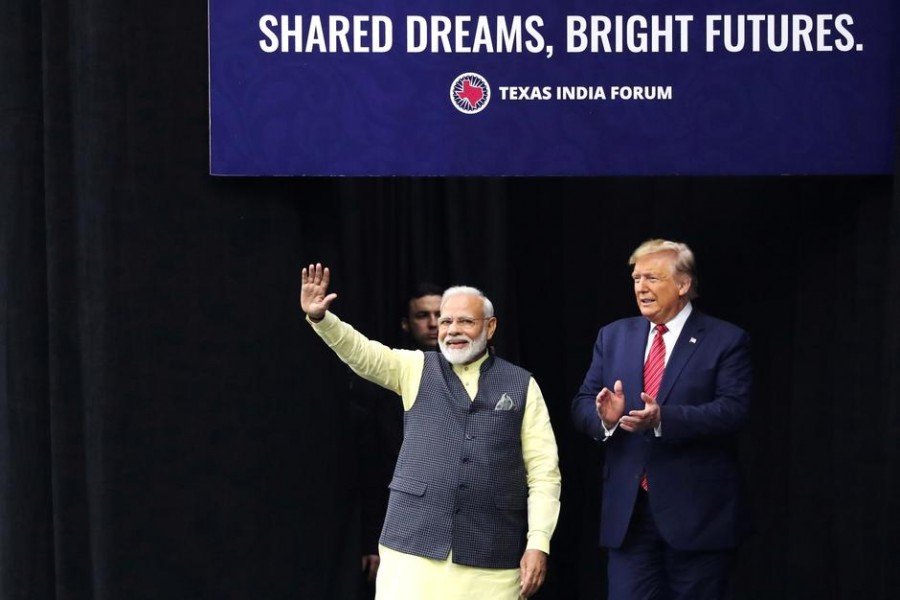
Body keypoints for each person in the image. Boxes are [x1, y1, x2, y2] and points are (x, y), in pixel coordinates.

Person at [301, 263, 561, 600]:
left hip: (491, 555)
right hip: (412, 547)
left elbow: (544, 472)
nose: (451, 329)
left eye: (465, 321)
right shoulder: (416, 367)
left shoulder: (522, 384)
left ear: (490, 326)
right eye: (446, 321)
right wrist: (322, 319)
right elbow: (363, 353)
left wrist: (538, 542)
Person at [571, 239, 753, 600]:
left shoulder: (726, 339)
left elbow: (734, 410)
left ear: (683, 284)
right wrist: (605, 419)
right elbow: (582, 402)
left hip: (697, 515)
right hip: (630, 515)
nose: (641, 287)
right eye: (637, 278)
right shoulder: (613, 336)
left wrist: (662, 419)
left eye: (652, 278)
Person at [352, 282, 443, 598]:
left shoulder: (480, 379)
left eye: (440, 315)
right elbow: (374, 466)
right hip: (402, 531)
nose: (433, 323)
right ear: (407, 323)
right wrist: (371, 540)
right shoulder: (386, 384)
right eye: (423, 315)